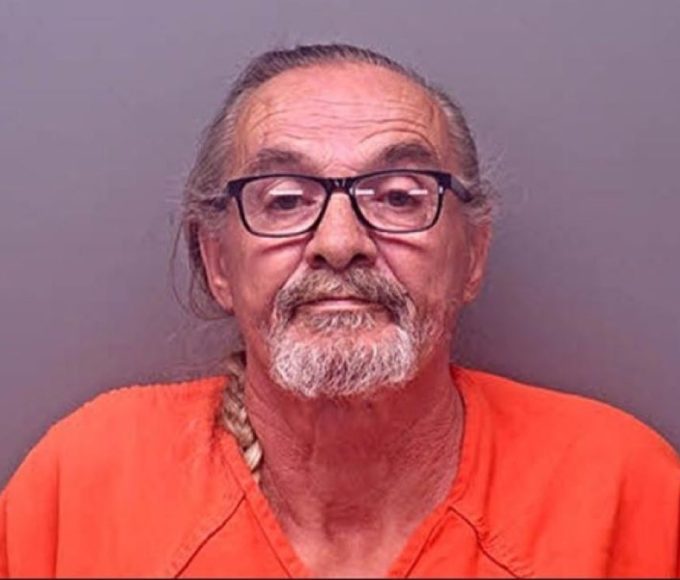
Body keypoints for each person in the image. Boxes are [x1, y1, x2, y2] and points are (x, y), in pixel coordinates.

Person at [1, 43, 678, 578]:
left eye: (400, 196)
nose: (339, 242)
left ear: (471, 255)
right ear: (217, 262)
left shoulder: (618, 489)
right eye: (284, 200)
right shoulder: (87, 484)